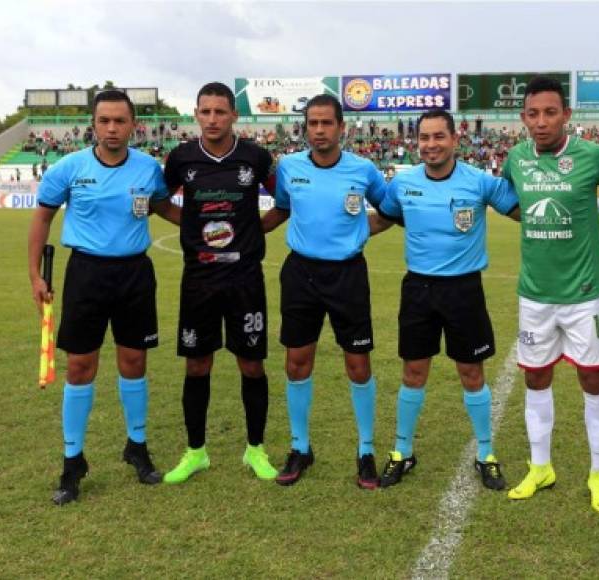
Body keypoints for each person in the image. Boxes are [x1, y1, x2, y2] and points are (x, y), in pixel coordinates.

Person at [27, 90, 180, 506]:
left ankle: (137, 446)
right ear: (93, 124)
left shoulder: (149, 168)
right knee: (80, 365)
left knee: (134, 361)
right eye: (104, 121)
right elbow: (42, 217)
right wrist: (36, 276)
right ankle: (73, 460)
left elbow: (166, 209)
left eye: (120, 121)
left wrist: (214, 225)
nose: (112, 128)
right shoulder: (69, 168)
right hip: (87, 273)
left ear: (134, 125)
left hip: (134, 273)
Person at [370, 109, 520, 490]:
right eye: (424, 137)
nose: (431, 144)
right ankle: (402, 452)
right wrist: (338, 231)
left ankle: (486, 453)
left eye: (439, 136)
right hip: (418, 289)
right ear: (416, 141)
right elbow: (384, 218)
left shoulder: (479, 182)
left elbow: (522, 209)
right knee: (413, 372)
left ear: (455, 139)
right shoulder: (403, 185)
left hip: (464, 289)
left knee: (471, 373)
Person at [501, 76, 599, 512]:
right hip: (534, 296)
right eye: (533, 114)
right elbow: (508, 201)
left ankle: (598, 474)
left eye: (550, 112)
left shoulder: (594, 156)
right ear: (523, 118)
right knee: (535, 378)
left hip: (586, 296)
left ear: (567, 115)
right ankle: (541, 467)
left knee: (593, 379)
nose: (541, 122)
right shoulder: (516, 158)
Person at [262, 94, 386, 489]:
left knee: (358, 364)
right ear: (305, 128)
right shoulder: (290, 168)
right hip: (300, 274)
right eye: (312, 123)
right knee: (297, 361)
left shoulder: (364, 170)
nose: (318, 130)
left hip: (348, 275)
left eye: (326, 123)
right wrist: (245, 234)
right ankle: (300, 447)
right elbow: (281, 210)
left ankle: (366, 450)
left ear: (341, 127)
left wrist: (359, 232)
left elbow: (388, 210)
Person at [160, 82, 277, 484]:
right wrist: (193, 226)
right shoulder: (181, 159)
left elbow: (284, 203)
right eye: (205, 112)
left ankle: (256, 450)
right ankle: (196, 452)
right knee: (197, 364)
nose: (212, 119)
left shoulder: (256, 158)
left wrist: (252, 230)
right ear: (196, 114)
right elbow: (161, 201)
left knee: (251, 363)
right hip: (200, 278)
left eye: (220, 112)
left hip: (245, 276)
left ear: (233, 116)